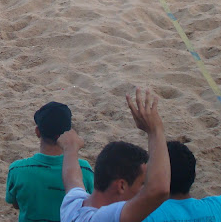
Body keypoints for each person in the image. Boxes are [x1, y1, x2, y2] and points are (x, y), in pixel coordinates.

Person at [58, 88, 170, 222]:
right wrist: (155, 131)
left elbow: (72, 178)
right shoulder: (102, 218)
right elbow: (158, 191)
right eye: (142, 183)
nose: (145, 189)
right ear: (121, 185)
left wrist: (70, 149)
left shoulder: (73, 206)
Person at [6, 102, 94, 222]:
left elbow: (16, 204)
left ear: (37, 132)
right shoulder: (84, 169)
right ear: (69, 133)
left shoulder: (17, 170)